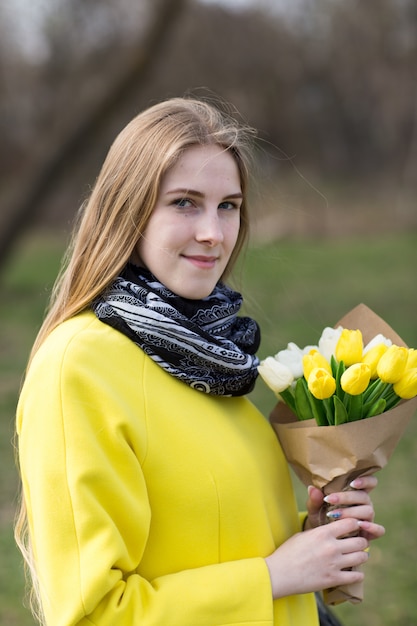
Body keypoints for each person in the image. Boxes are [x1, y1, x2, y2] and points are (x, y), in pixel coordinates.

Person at [15, 95, 385, 626]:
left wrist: (316, 538)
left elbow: (205, 538)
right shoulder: (78, 367)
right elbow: (95, 615)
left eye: (228, 205)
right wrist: (276, 576)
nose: (213, 233)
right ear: (129, 211)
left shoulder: (211, 358)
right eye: (184, 202)